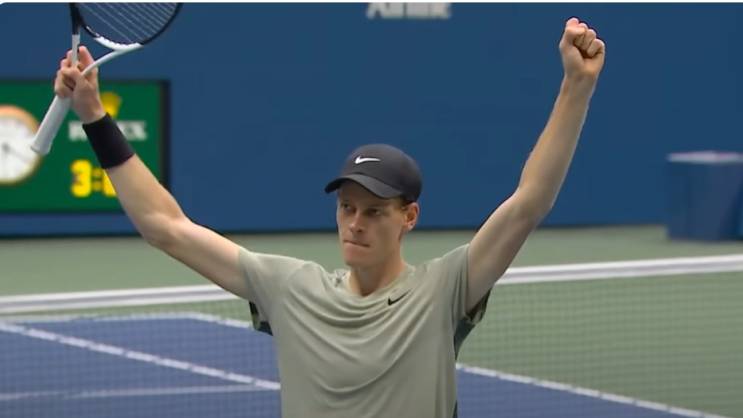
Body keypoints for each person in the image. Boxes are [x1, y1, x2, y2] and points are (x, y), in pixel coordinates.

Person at [52, 16, 605, 418]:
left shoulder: (444, 292)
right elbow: (166, 228)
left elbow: (529, 202)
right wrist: (95, 116)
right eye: (346, 207)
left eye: (374, 211)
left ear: (409, 217)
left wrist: (576, 86)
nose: (355, 223)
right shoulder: (289, 288)